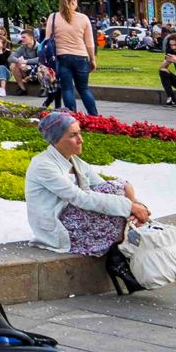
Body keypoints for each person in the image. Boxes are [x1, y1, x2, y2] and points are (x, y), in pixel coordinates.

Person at [25, 111, 150, 269]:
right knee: (118, 193)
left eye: (80, 133)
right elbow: (80, 198)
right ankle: (117, 259)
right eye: (73, 135)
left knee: (118, 187)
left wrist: (138, 206)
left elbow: (103, 186)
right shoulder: (43, 165)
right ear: (56, 140)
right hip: (58, 227)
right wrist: (130, 207)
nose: (80, 140)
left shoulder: (74, 161)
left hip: (74, 217)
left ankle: (117, 257)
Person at [45, 0, 98, 115]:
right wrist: (92, 59)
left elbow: (47, 40)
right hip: (81, 57)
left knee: (67, 89)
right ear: (73, 1)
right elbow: (90, 42)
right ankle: (94, 116)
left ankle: (72, 116)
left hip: (61, 57)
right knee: (84, 89)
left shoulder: (53, 17)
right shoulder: (83, 18)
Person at [8, 30, 41, 95]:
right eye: (21, 37)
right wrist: (19, 61)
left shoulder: (39, 46)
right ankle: (22, 88)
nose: (21, 39)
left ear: (31, 37)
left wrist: (26, 61)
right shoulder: (23, 48)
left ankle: (43, 89)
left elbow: (41, 59)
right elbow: (10, 58)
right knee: (13, 65)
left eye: (24, 37)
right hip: (26, 70)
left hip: (38, 72)